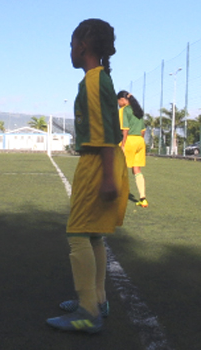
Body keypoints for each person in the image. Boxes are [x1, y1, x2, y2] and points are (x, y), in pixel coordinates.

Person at [46, 19, 129, 334]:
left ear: (82, 46)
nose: (70, 51)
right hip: (104, 162)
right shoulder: (102, 79)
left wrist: (108, 177)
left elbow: (107, 135)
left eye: (71, 44)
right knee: (94, 234)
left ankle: (87, 312)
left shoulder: (93, 82)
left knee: (78, 234)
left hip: (98, 163)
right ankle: (98, 300)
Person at [118, 91, 148, 207]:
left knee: (120, 169)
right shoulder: (138, 110)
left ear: (122, 100)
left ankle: (118, 196)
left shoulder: (124, 110)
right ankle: (143, 198)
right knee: (137, 170)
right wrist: (139, 142)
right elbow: (143, 130)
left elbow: (124, 129)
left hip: (129, 140)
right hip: (140, 141)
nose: (119, 104)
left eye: (119, 101)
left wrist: (123, 144)